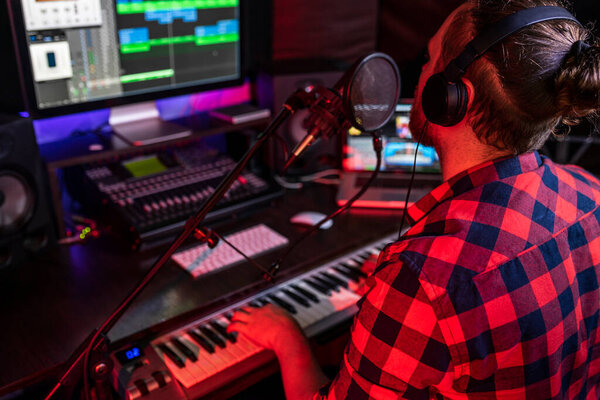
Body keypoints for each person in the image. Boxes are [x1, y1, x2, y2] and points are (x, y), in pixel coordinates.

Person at [227, 0, 600, 398]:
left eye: (428, 59)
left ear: (452, 96)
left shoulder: (425, 280)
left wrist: (289, 340)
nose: (418, 74)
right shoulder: (589, 193)